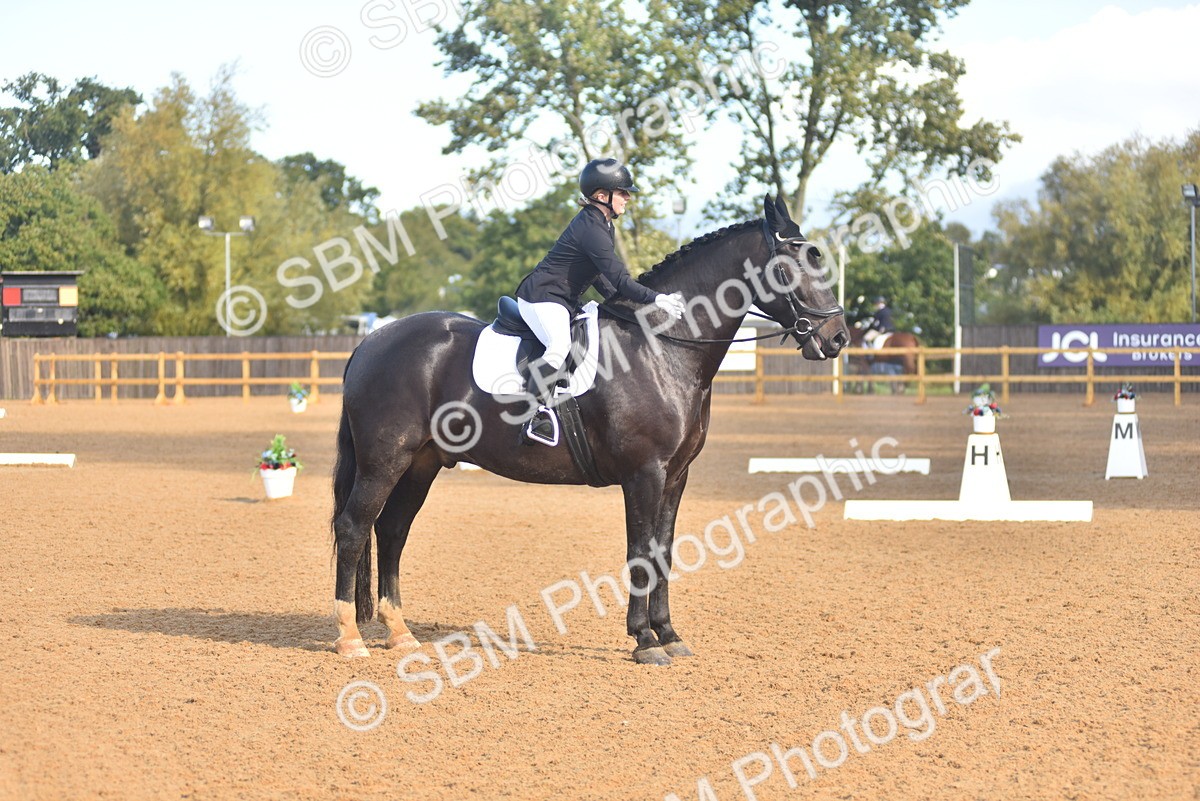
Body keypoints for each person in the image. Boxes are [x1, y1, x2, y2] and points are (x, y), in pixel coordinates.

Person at [514, 157, 686, 445]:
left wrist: (622, 306)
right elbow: (621, 280)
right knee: (559, 347)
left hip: (562, 300)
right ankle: (533, 417)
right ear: (601, 196)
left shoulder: (603, 225)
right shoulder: (591, 229)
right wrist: (657, 299)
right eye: (623, 192)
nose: (628, 198)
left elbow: (601, 279)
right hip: (541, 298)